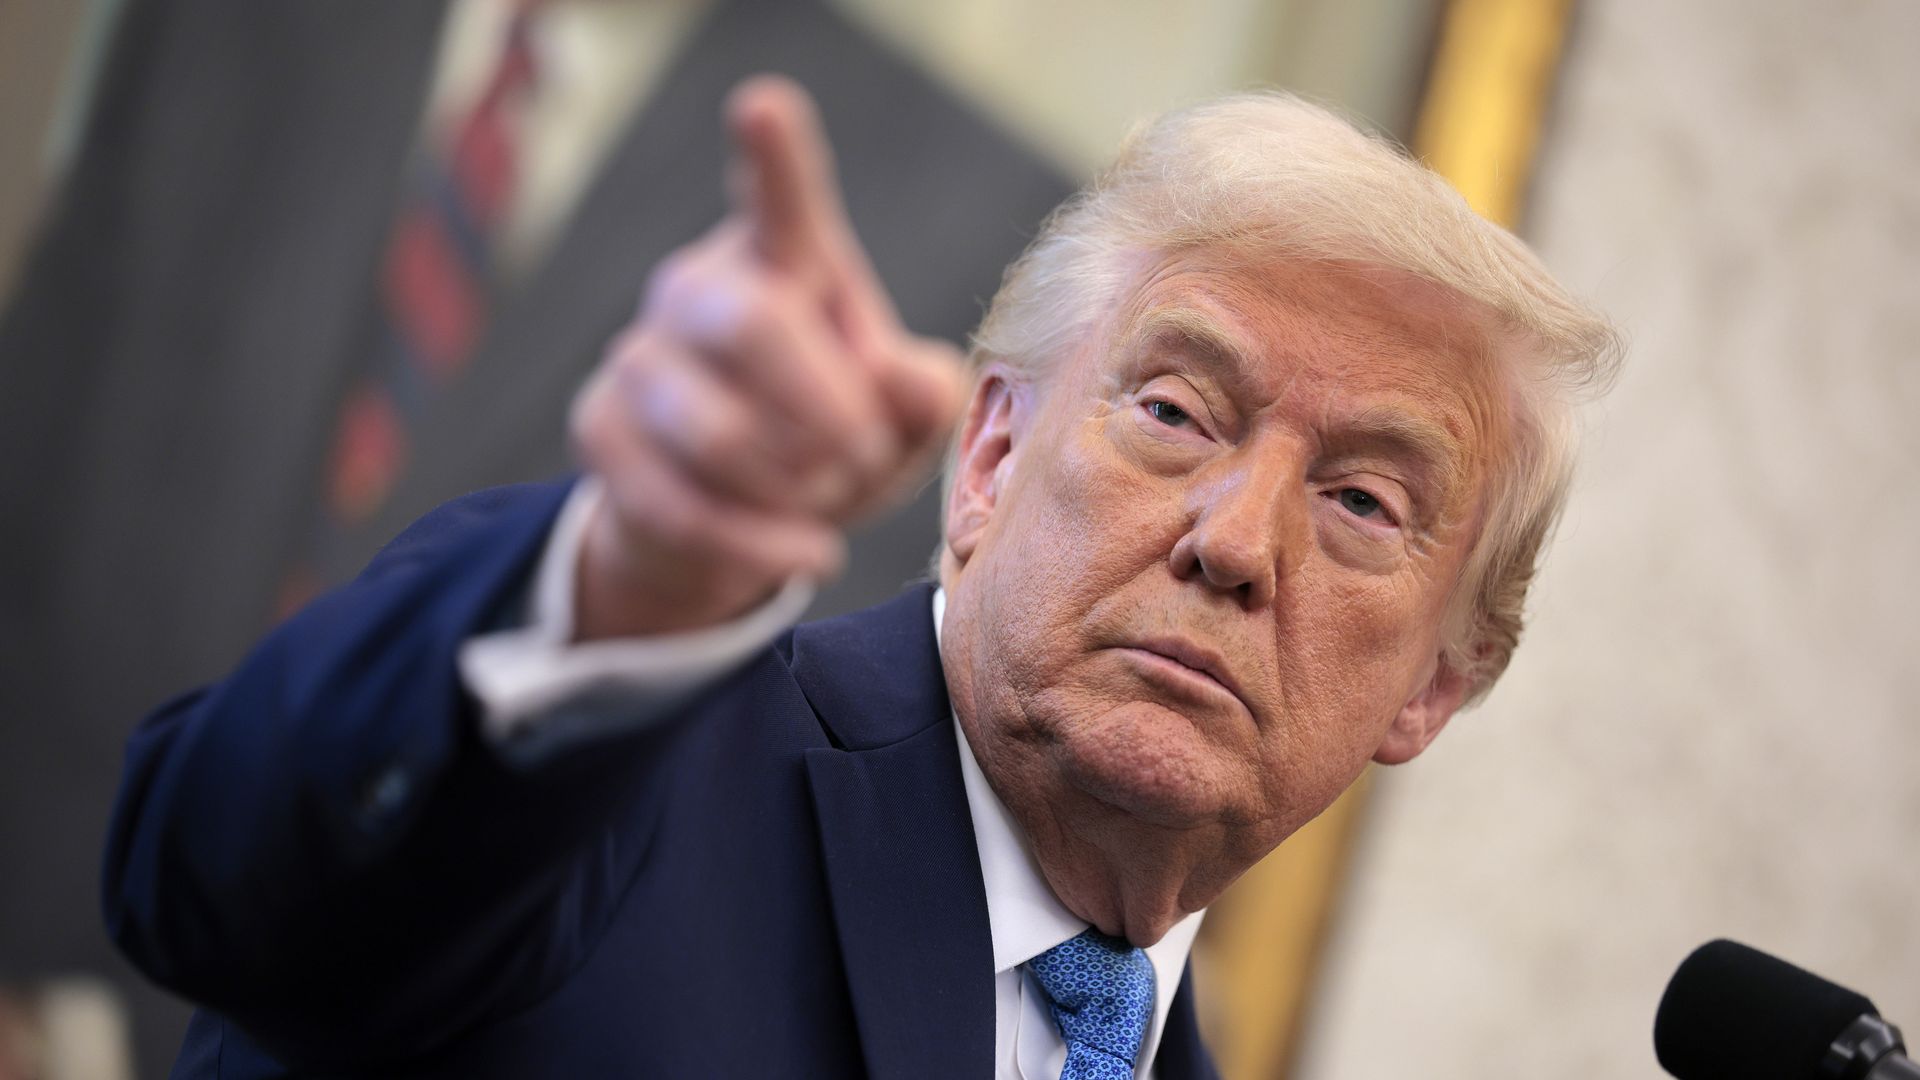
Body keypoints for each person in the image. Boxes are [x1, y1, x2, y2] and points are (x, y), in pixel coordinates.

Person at [102, 76, 1618, 1078]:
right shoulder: (618, 774)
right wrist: (618, 584)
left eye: (1361, 500)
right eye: (1173, 411)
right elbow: (217, 898)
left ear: (1433, 683)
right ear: (988, 462)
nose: (1234, 542)